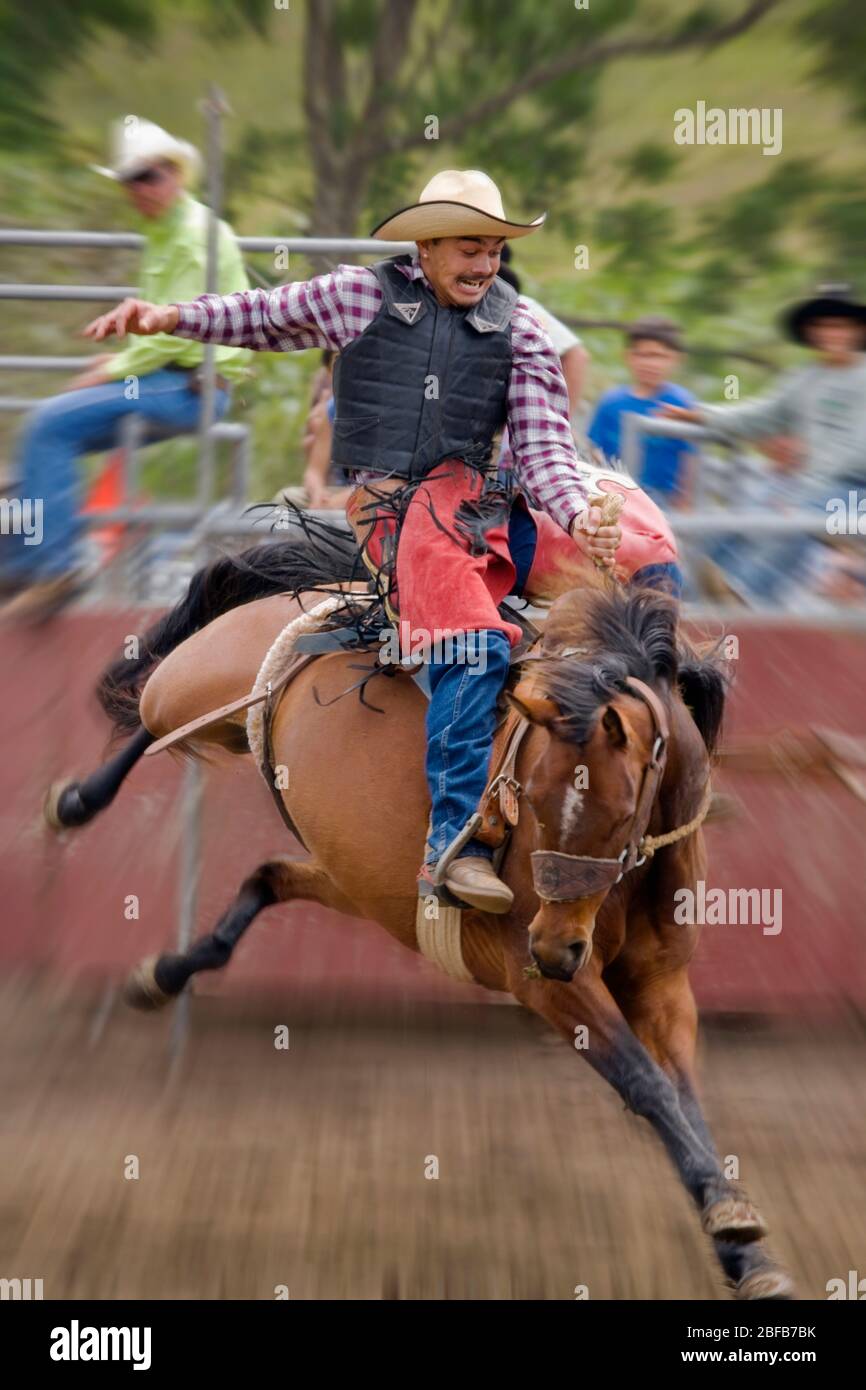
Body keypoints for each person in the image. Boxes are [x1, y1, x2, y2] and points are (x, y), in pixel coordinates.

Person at [82, 168, 672, 916]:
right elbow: (260, 316)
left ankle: (656, 789)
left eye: (493, 249)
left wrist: (582, 510)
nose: (484, 263)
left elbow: (547, 450)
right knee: (474, 644)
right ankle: (453, 844)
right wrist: (166, 317)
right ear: (425, 247)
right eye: (469, 247)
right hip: (402, 513)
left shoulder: (520, 327)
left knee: (645, 570)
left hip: (491, 506)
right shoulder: (356, 297)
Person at [0, 118, 251, 621]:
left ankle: (51, 567)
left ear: (175, 174)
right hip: (177, 379)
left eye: (149, 176)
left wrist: (113, 368)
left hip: (187, 386)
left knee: (48, 426)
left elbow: (166, 327)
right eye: (131, 179)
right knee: (50, 437)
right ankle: (23, 568)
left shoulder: (189, 236)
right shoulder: (168, 231)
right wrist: (116, 365)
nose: (140, 188)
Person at [660, 284, 866, 602]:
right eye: (822, 326)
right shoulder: (805, 379)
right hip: (809, 487)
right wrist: (701, 415)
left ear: (856, 330)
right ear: (811, 333)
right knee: (739, 521)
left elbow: (855, 454)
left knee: (790, 521)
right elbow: (759, 415)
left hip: (854, 495)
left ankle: (747, 598)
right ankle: (686, 602)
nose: (830, 334)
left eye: (838, 325)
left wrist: (804, 488)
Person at [588, 316, 698, 511]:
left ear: (675, 359)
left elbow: (689, 461)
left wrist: (685, 508)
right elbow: (595, 453)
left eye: (659, 356)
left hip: (664, 503)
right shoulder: (611, 403)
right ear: (628, 356)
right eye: (643, 355)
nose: (651, 363)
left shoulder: (682, 403)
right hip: (618, 500)